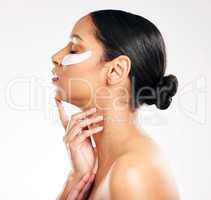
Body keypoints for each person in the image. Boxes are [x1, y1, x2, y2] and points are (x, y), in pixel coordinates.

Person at [51, 9, 180, 200]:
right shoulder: (101, 168)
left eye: (74, 49)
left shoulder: (133, 172)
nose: (56, 56)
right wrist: (75, 179)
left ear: (115, 70)